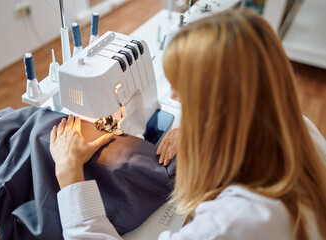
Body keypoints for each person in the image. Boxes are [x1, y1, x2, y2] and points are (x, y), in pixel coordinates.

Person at [49, 9, 326, 240]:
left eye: (183, 88)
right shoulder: (300, 130)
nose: (173, 96)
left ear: (218, 104)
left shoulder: (231, 224)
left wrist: (70, 173)